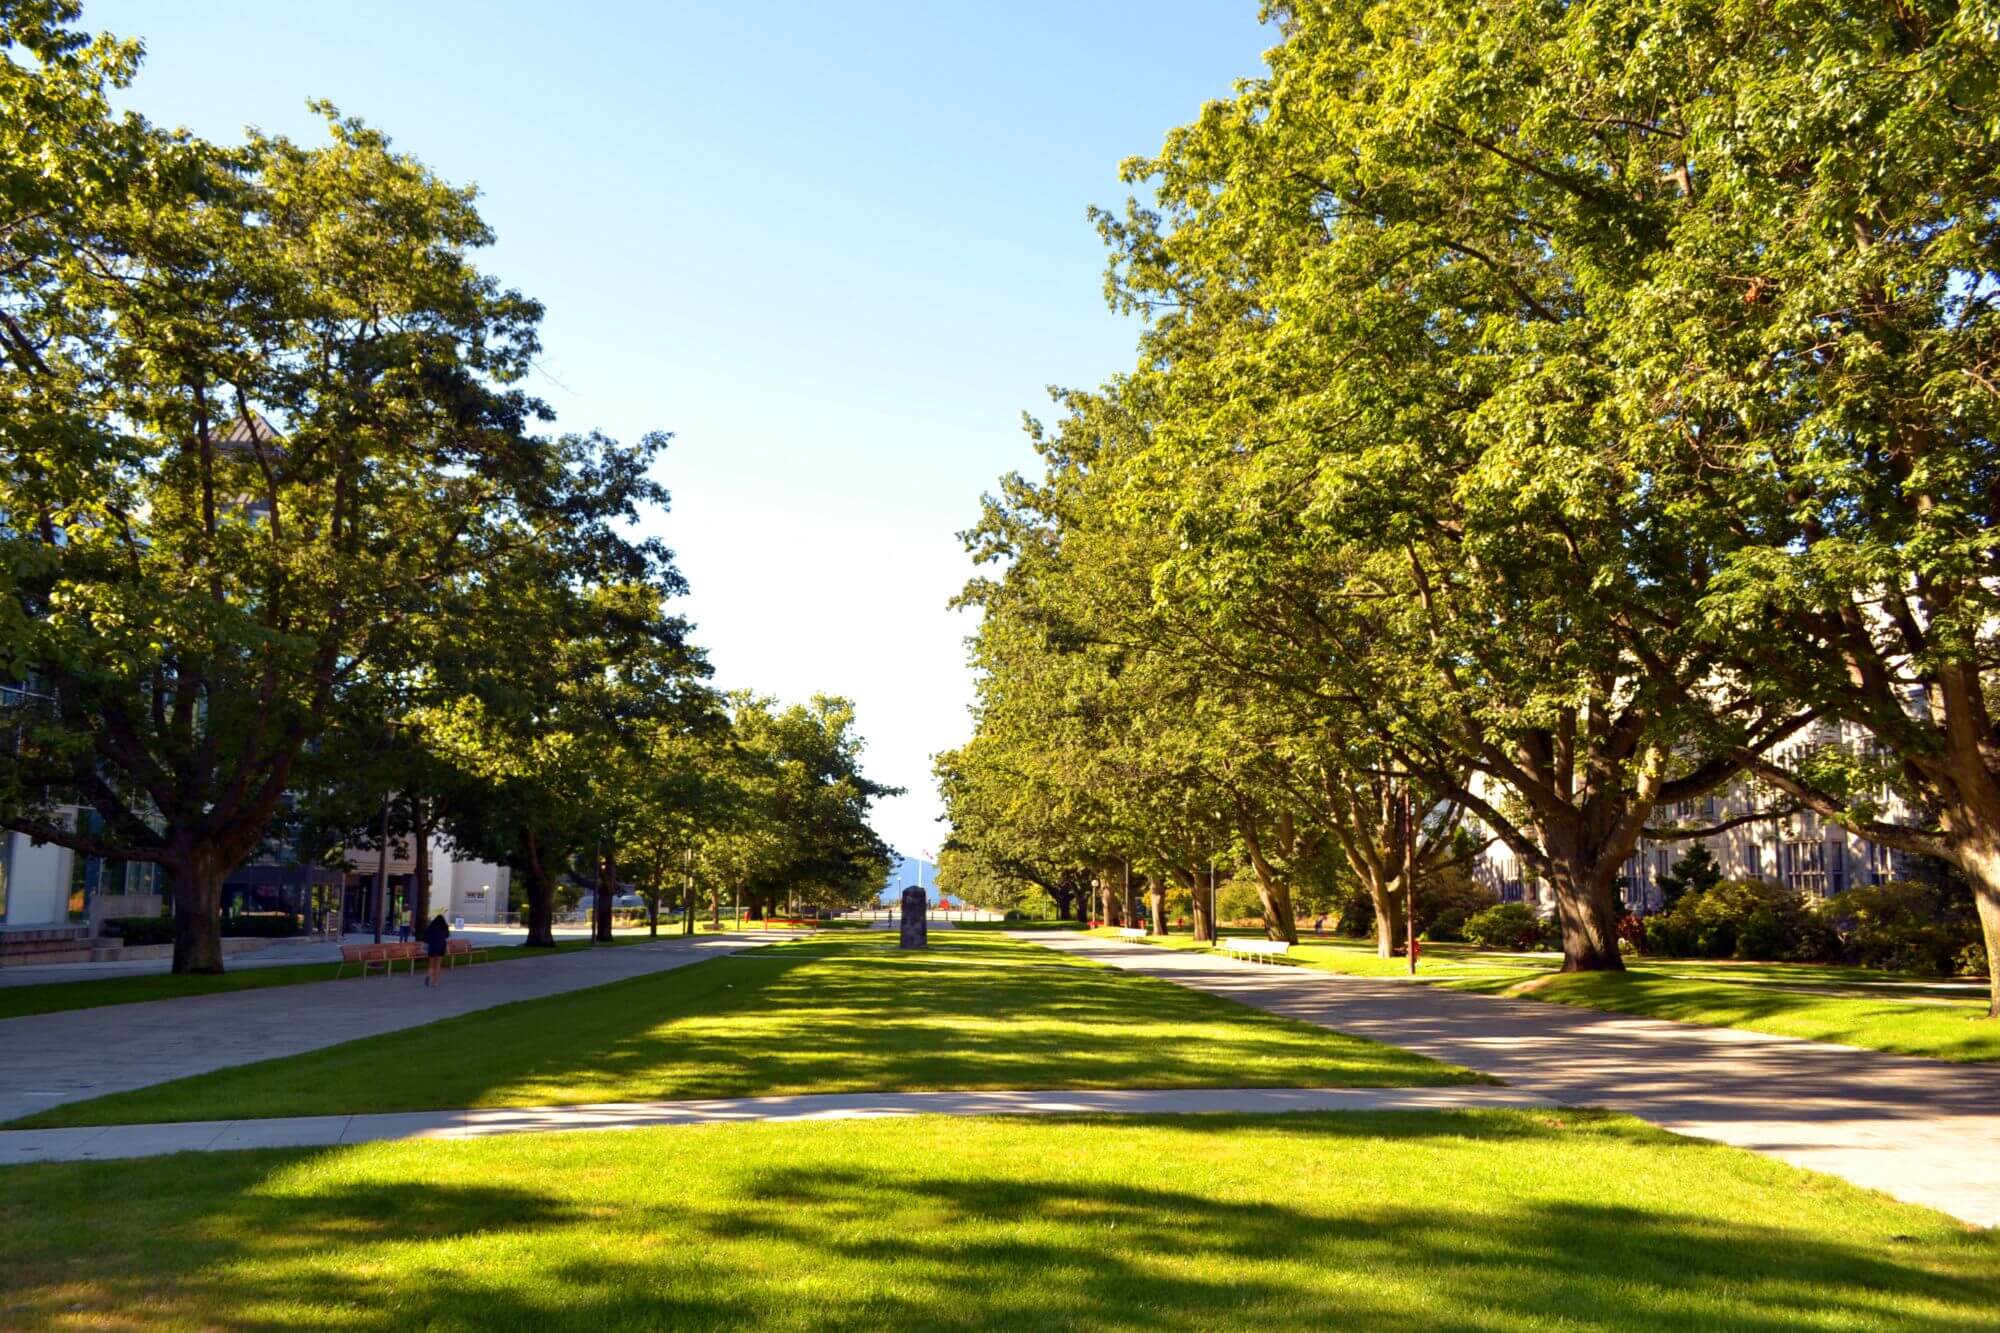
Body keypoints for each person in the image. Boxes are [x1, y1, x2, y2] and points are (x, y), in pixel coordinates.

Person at [423, 913, 450, 987]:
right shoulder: (444, 927)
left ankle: (428, 975)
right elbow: (447, 935)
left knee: (431, 964)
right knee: (438, 965)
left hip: (432, 946)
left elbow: (425, 938)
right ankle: (435, 982)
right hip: (441, 947)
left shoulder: (431, 927)